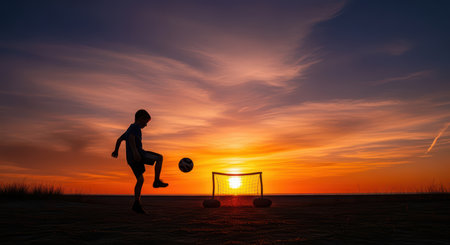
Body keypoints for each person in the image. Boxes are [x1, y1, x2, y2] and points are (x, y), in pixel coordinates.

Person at [111, 109, 168, 214]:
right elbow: (132, 139)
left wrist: (116, 151)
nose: (146, 125)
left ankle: (136, 204)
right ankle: (156, 181)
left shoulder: (129, 128)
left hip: (130, 159)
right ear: (140, 119)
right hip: (138, 155)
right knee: (159, 158)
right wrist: (135, 152)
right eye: (146, 122)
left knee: (140, 180)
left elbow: (119, 139)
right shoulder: (135, 127)